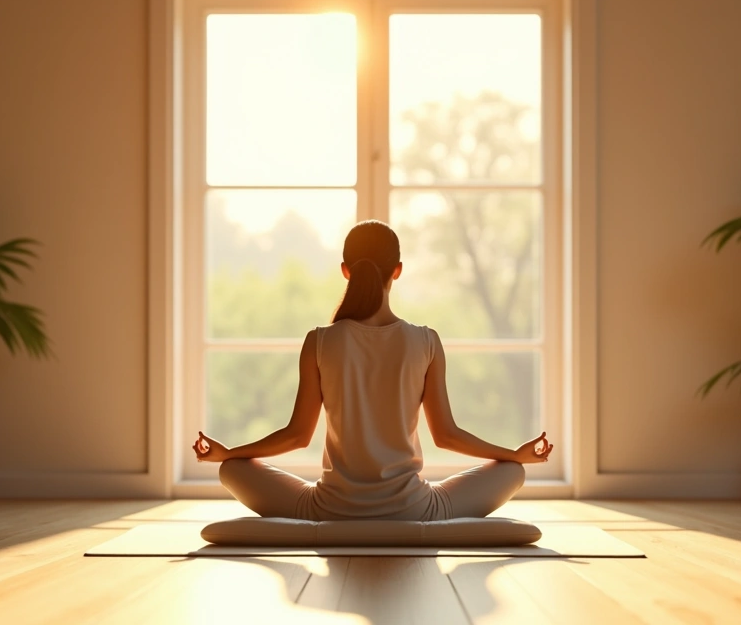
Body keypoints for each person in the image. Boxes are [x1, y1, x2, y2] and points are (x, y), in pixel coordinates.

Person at [193, 219, 556, 521]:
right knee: (513, 473)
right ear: (396, 271)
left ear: (345, 271)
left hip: (330, 510)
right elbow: (446, 436)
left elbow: (296, 436)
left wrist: (228, 454)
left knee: (232, 470)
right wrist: (514, 455)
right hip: (415, 510)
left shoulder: (319, 341)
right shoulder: (426, 341)